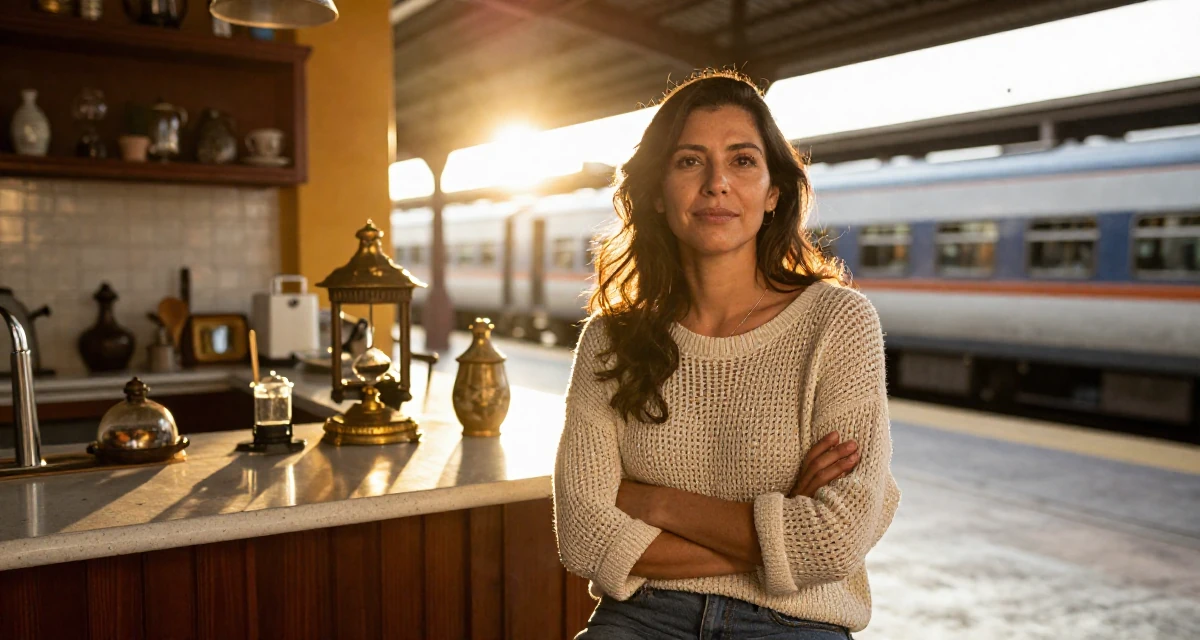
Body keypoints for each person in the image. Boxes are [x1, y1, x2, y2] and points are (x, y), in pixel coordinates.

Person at [551, 70, 901, 639]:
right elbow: (586, 536)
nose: (717, 183)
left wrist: (655, 504)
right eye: (689, 161)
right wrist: (782, 529)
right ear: (658, 194)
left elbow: (837, 537)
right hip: (642, 619)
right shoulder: (609, 340)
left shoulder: (837, 323)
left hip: (795, 624)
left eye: (742, 161)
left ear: (773, 192)